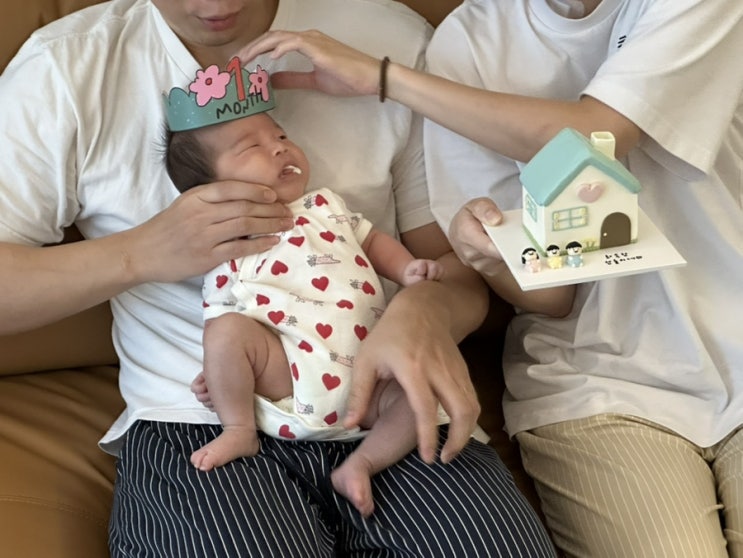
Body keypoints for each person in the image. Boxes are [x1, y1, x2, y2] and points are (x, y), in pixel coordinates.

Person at [0, 0, 558, 556]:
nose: (215, 5)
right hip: (200, 419)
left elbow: (460, 266)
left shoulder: (389, 44)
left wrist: (427, 310)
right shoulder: (68, 67)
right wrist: (138, 254)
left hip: (386, 395)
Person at [234, 1, 743, 556]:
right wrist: (491, 257)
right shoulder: (468, 42)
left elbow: (599, 133)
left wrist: (386, 79)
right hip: (597, 386)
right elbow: (551, 299)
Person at [164, 67, 445, 516]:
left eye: (280, 136)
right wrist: (220, 372)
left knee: (420, 396)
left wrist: (407, 270)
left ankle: (362, 464)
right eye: (253, 147)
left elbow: (371, 240)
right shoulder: (230, 239)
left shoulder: (325, 205)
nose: (279, 147)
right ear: (213, 189)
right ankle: (238, 429)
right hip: (291, 372)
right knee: (227, 332)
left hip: (372, 372)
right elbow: (219, 315)